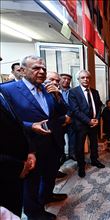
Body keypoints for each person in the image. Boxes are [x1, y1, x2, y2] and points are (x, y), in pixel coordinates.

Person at [0, 55, 68, 220]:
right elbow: (9, 121)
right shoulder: (8, 90)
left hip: (53, 142)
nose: (42, 71)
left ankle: (46, 197)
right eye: (36, 68)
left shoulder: (47, 88)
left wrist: (58, 97)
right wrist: (31, 126)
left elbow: (61, 113)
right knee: (32, 183)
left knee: (50, 175)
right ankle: (34, 213)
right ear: (22, 71)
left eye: (43, 68)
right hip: (31, 146)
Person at [0, 89, 35, 217]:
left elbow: (17, 124)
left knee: (14, 210)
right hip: (7, 169)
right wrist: (18, 166)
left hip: (17, 169)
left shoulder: (4, 92)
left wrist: (30, 151)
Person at [68, 70, 104, 178]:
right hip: (81, 125)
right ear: (78, 79)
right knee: (79, 147)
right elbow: (75, 110)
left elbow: (98, 107)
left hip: (94, 124)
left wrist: (97, 119)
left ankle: (94, 160)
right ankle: (81, 166)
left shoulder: (95, 92)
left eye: (87, 77)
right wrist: (89, 121)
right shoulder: (73, 92)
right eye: (83, 77)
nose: (85, 79)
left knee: (94, 144)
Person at [59, 73, 76, 161]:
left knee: (72, 138)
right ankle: (62, 156)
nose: (66, 81)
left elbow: (74, 105)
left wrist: (69, 116)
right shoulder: (55, 91)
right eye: (64, 78)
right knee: (60, 139)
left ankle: (72, 154)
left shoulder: (73, 91)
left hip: (71, 119)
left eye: (68, 79)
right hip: (60, 119)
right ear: (60, 79)